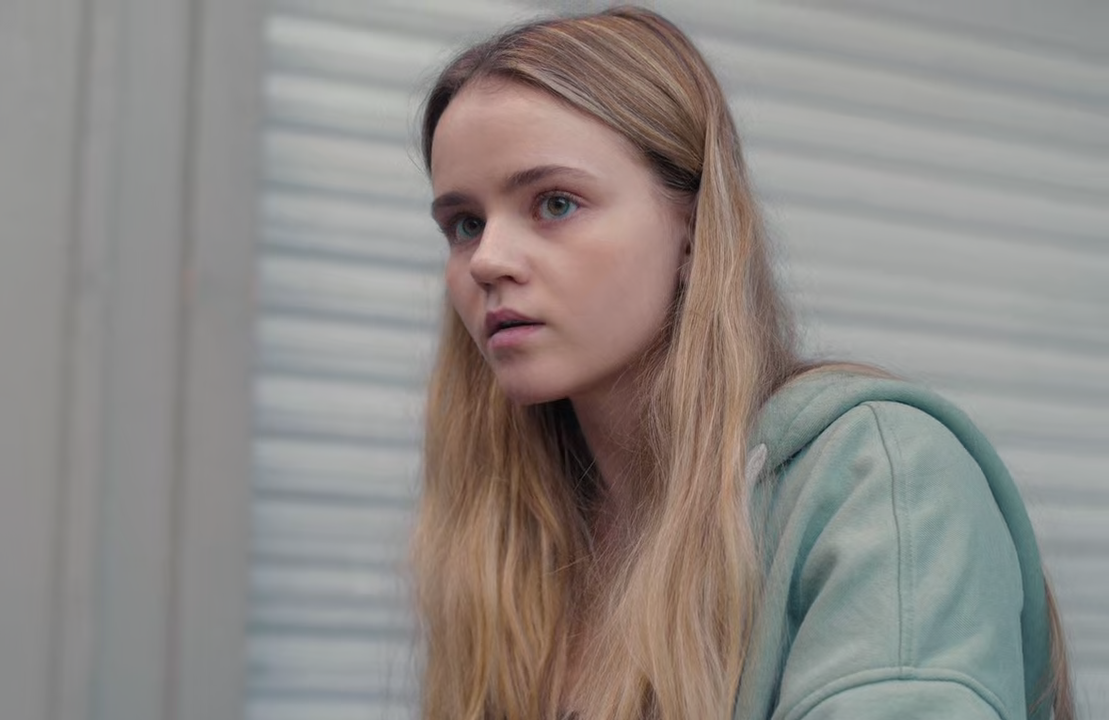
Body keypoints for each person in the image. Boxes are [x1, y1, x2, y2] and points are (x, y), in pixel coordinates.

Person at [410, 5, 1073, 720]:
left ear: (694, 230)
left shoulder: (881, 481)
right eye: (465, 224)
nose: (488, 260)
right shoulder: (523, 533)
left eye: (556, 203)